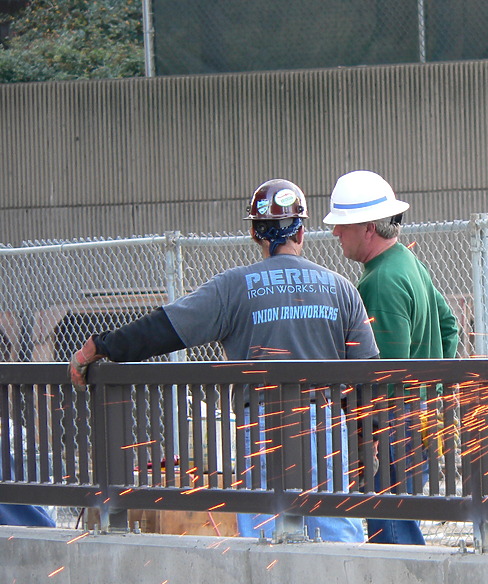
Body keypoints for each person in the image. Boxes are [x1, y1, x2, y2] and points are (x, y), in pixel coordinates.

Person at [68, 179, 379, 542]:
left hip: (263, 425)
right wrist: (365, 442)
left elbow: (163, 328)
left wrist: (99, 345)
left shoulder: (233, 288)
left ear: (254, 232)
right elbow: (365, 376)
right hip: (325, 424)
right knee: (337, 528)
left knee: (266, 534)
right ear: (302, 231)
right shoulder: (340, 288)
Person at [325, 170, 459, 545]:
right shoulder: (409, 263)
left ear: (368, 228)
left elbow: (386, 371)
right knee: (404, 523)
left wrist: (372, 431)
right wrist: (430, 387)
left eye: (343, 225)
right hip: (420, 419)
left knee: (392, 532)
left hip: (393, 426)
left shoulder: (379, 281)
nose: (336, 233)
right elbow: (449, 327)